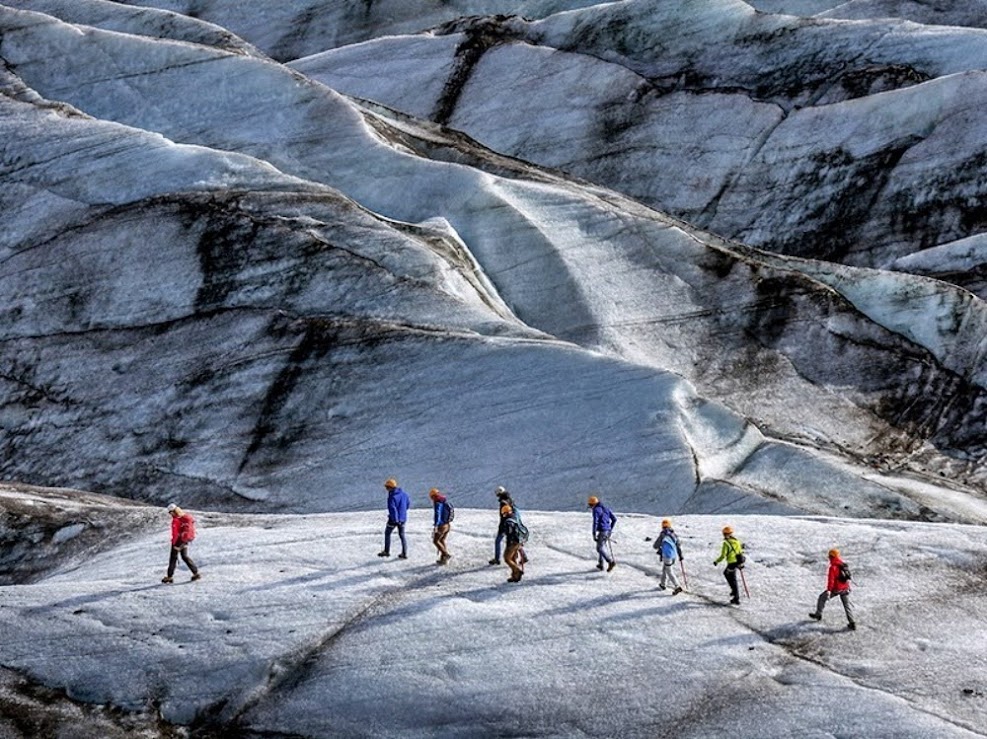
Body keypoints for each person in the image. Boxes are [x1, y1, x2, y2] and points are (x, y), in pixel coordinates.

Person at [809, 548, 856, 630]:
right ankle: (852, 623)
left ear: (831, 557)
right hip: (845, 589)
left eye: (829, 556)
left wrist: (829, 591)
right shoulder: (843, 564)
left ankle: (818, 614)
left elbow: (831, 580)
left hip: (836, 589)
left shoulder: (833, 567)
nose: (828, 558)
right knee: (847, 606)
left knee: (821, 598)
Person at [162, 503, 200, 584]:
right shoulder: (183, 518)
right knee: (184, 556)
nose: (170, 514)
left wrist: (178, 543)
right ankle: (196, 573)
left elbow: (181, 532)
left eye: (170, 512)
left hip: (178, 541)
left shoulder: (180, 519)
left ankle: (169, 577)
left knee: (173, 558)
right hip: (183, 540)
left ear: (174, 511)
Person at [378, 478, 409, 559]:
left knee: (387, 533)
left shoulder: (392, 497)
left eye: (387, 487)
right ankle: (404, 553)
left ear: (390, 487)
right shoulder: (404, 494)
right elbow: (408, 505)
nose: (386, 489)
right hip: (403, 518)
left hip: (394, 520)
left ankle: (386, 551)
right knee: (402, 535)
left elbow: (392, 509)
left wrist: (395, 520)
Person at [713, 525, 743, 604]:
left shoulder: (726, 543)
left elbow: (723, 555)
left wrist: (716, 561)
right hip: (737, 562)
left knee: (731, 577)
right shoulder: (737, 541)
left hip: (731, 563)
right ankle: (734, 593)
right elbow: (740, 551)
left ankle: (736, 597)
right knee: (730, 576)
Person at [500, 500, 528, 583]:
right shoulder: (514, 517)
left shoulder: (508, 522)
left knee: (507, 558)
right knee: (513, 558)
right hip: (518, 541)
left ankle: (517, 571)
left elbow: (510, 533)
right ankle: (515, 576)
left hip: (513, 542)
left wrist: (510, 543)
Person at [654, 518, 684, 595]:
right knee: (665, 569)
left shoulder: (663, 534)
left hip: (667, 556)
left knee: (669, 571)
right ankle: (663, 584)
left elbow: (655, 546)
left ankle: (677, 586)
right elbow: (678, 546)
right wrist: (680, 556)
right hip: (673, 556)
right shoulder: (674, 535)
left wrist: (661, 547)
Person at [588, 495, 617, 572]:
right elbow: (614, 519)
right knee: (602, 546)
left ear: (593, 504)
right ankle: (601, 564)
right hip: (607, 531)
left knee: (599, 548)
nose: (590, 507)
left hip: (602, 531)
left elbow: (595, 522)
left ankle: (610, 561)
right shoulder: (606, 509)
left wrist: (593, 533)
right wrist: (610, 529)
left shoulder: (596, 510)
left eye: (590, 505)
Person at [429, 488, 453, 564]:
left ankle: (445, 554)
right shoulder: (444, 501)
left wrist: (436, 525)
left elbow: (437, 514)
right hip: (447, 525)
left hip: (441, 526)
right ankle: (443, 559)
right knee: (442, 540)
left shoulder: (438, 503)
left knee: (435, 541)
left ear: (433, 496)